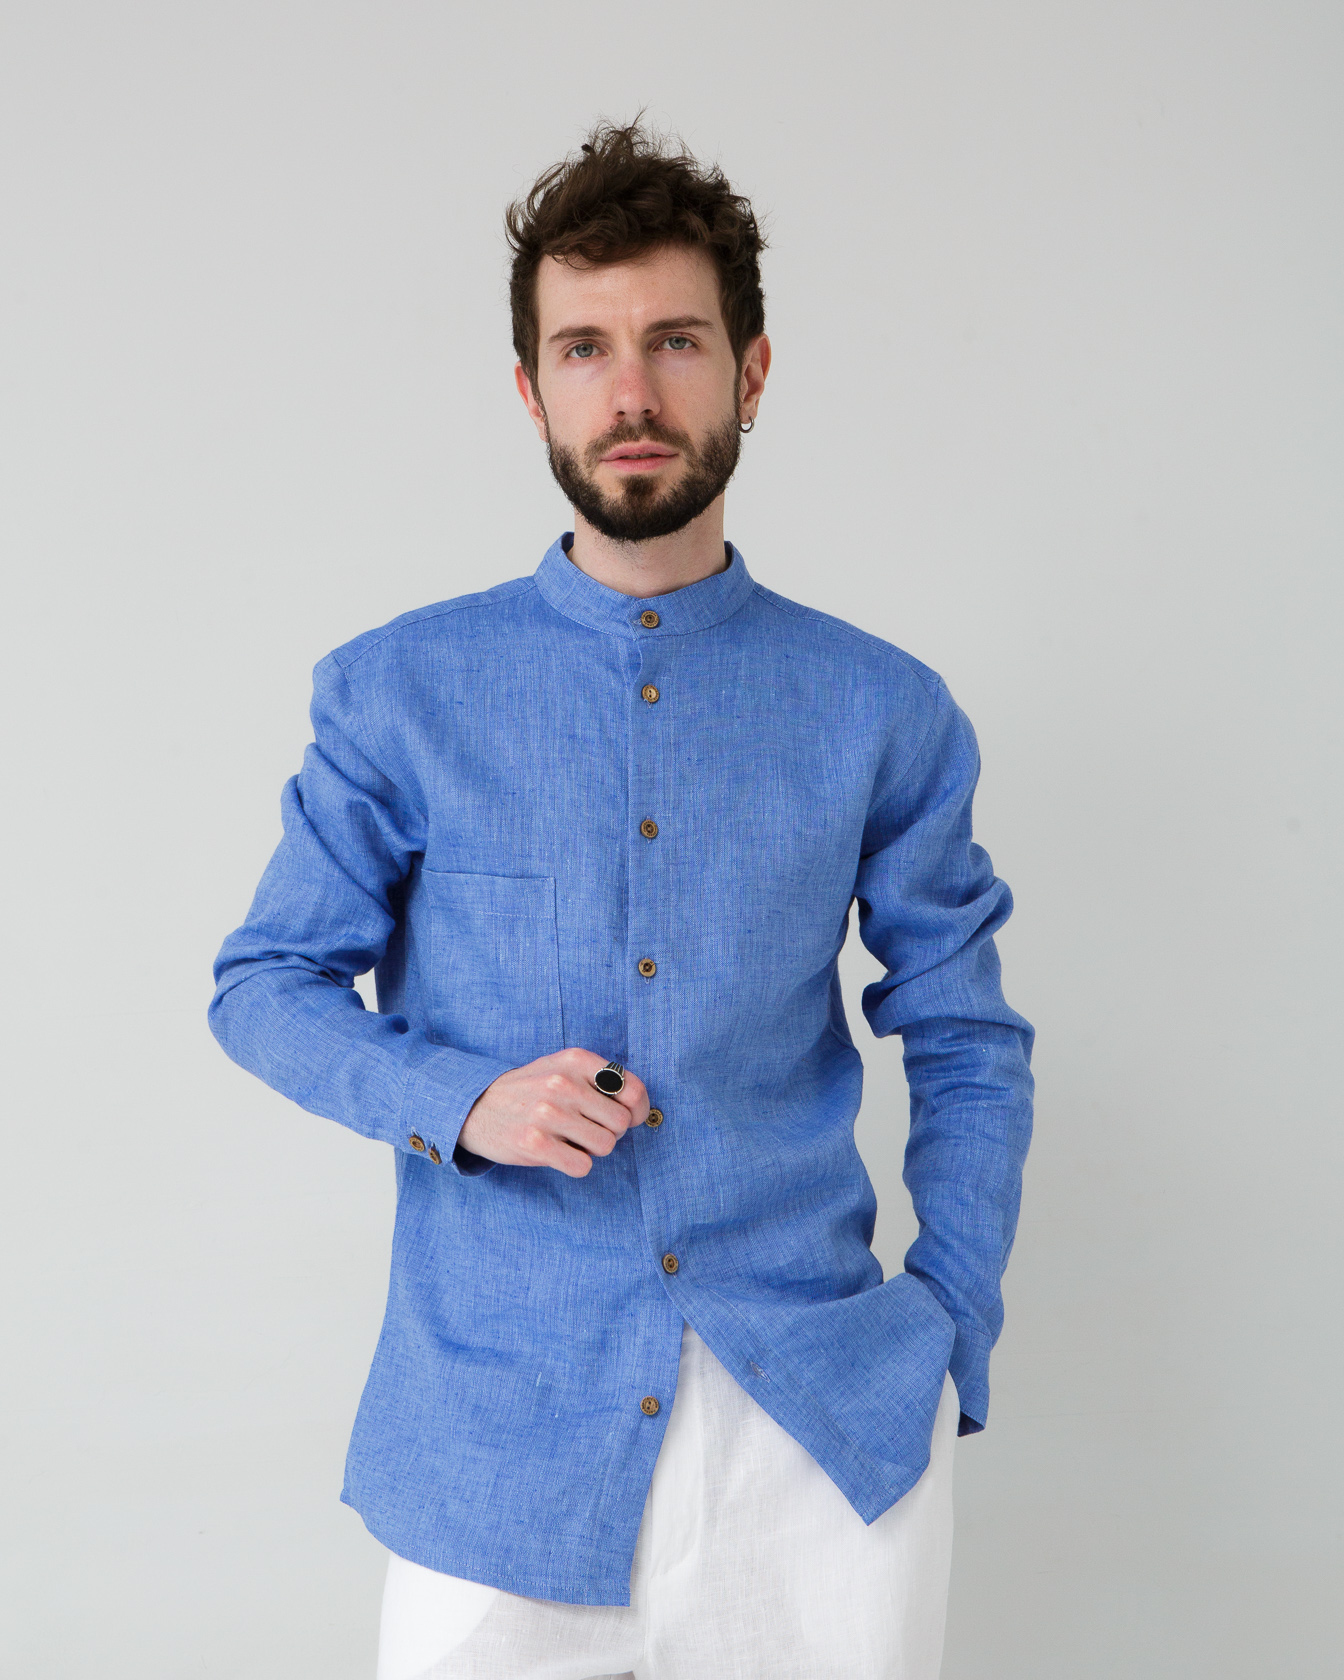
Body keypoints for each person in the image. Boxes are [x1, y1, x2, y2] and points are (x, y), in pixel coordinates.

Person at [209, 117, 1035, 1680]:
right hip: (496, 1439)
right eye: (584, 349)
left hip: (822, 1434)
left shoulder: (881, 708)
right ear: (532, 390)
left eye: (676, 341)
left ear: (752, 372)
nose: (632, 392)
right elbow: (263, 985)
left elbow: (967, 1035)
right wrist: (462, 1101)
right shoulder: (401, 692)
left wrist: (949, 1323)